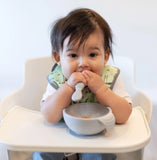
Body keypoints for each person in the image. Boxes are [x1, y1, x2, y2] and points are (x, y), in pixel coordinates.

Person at [33, 8, 132, 160]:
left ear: (105, 57)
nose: (83, 63)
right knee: (41, 154)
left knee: (102, 156)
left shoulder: (109, 77)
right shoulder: (58, 79)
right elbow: (49, 116)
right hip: (60, 138)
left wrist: (102, 89)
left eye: (92, 55)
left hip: (97, 137)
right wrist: (67, 88)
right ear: (58, 57)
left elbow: (124, 115)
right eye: (73, 55)